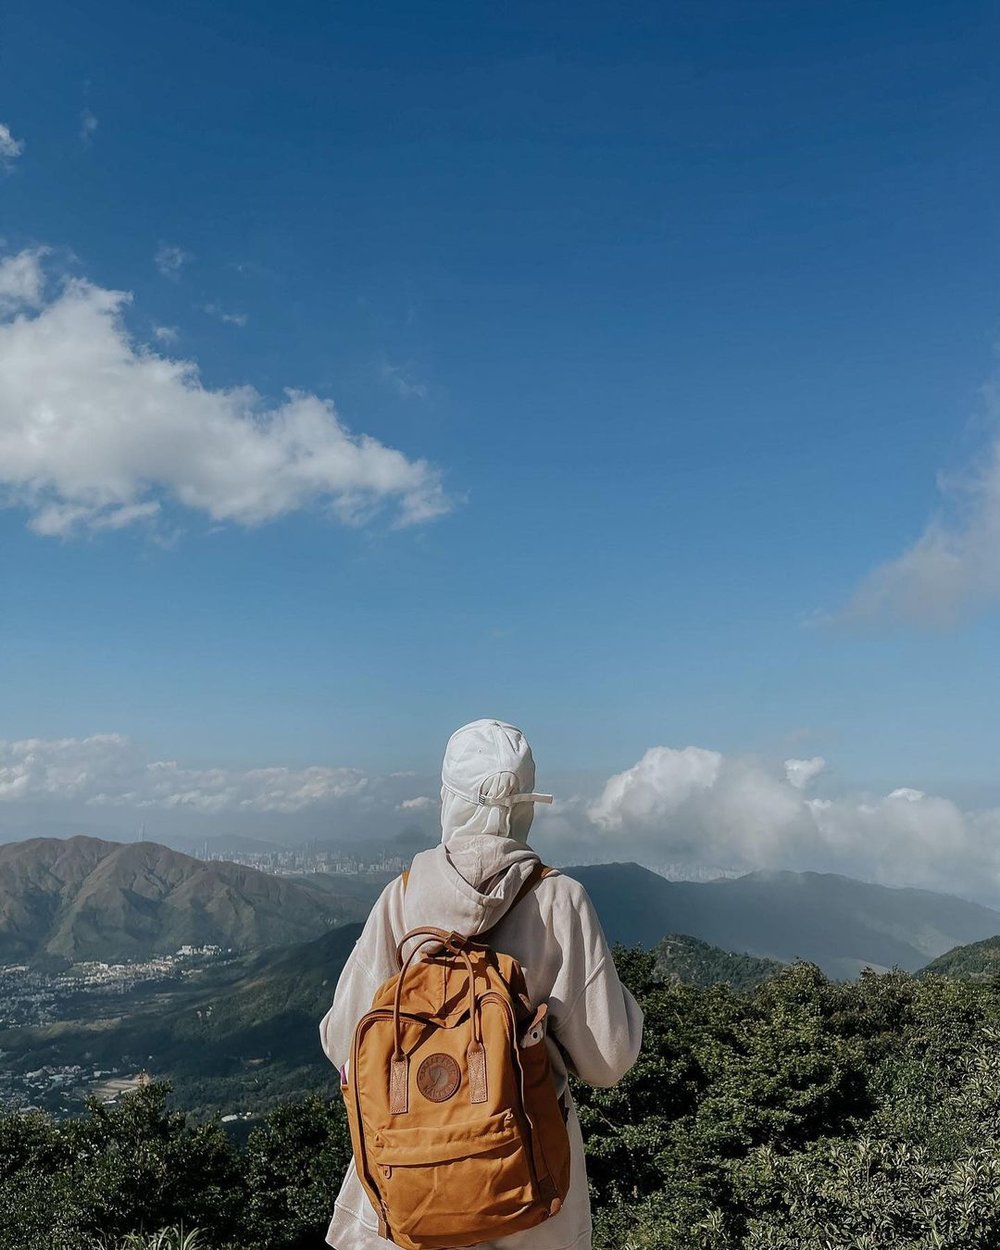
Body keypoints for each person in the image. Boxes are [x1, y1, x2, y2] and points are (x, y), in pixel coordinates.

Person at [319, 718, 644, 1250]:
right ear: (527, 807)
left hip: (408, 1192)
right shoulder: (560, 901)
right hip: (526, 1197)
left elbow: (344, 1042)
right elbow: (609, 1060)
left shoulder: (402, 897)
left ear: (448, 798)